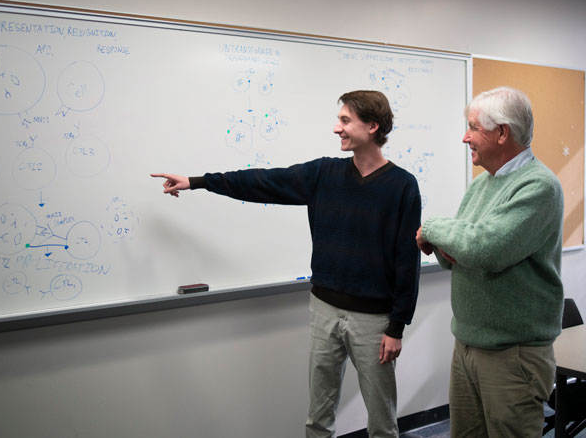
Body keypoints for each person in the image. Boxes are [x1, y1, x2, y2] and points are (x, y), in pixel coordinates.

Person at [152, 90, 421, 438]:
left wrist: (396, 327)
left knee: (382, 423)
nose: (336, 128)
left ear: (371, 126)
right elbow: (262, 181)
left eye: (344, 120)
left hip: (373, 321)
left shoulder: (401, 186)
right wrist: (199, 182)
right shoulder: (323, 174)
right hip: (324, 309)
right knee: (318, 417)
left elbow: (406, 259)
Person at [415, 86, 564, 438]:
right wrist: (456, 242)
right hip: (468, 344)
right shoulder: (481, 186)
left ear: (502, 133)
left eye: (473, 127)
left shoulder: (539, 186)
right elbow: (457, 257)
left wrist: (433, 227)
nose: (465, 138)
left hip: (513, 355)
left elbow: (485, 250)